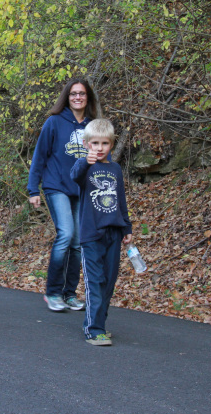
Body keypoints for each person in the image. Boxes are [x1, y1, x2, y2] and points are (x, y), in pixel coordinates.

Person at [27, 78, 101, 312]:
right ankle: (53, 292)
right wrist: (33, 189)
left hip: (81, 188)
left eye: (82, 94)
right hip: (56, 185)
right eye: (73, 94)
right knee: (65, 234)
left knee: (78, 243)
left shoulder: (92, 126)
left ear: (88, 98)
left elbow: (99, 158)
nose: (77, 97)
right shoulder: (54, 122)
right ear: (67, 97)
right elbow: (39, 156)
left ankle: (70, 293)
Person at [70, 119, 132, 346]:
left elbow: (121, 200)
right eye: (94, 143)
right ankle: (93, 329)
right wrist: (86, 162)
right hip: (91, 235)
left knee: (108, 281)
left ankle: (101, 326)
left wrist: (127, 227)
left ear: (112, 145)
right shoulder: (84, 167)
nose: (99, 147)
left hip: (113, 233)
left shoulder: (115, 169)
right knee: (94, 281)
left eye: (104, 143)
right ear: (86, 144)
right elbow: (74, 176)